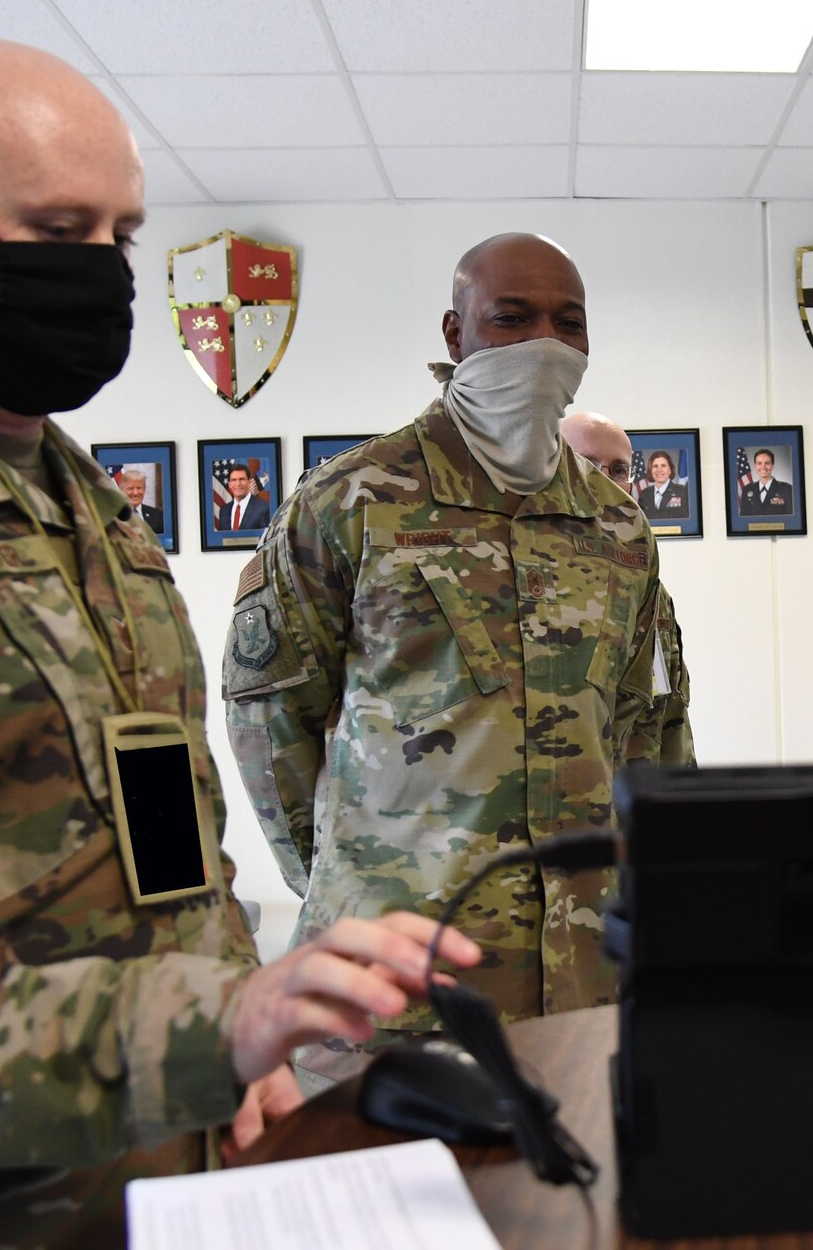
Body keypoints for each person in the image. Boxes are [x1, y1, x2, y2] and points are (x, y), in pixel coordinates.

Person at [0, 37, 482, 1248]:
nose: (103, 274)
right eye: (60, 231)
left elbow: (162, 837)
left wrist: (238, 1050)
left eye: (122, 237)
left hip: (146, 1191)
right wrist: (208, 1027)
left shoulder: (92, 515)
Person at [224, 233, 664, 1091]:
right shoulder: (347, 502)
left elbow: (646, 730)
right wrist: (346, 882)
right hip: (396, 979)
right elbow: (270, 722)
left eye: (567, 322)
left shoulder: (619, 529)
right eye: (512, 317)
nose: (543, 340)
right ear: (455, 334)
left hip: (581, 977)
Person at [561, 411, 697, 766]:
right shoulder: (524, 582)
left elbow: (671, 714)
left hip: (637, 798)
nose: (602, 479)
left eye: (618, 469)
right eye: (583, 462)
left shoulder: (650, 590)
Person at [737, 447, 795, 515]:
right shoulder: (747, 489)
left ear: (772, 465)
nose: (763, 467)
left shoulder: (787, 489)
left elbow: (790, 518)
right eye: (759, 463)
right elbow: (744, 519)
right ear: (755, 466)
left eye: (767, 463)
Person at [214, 462, 270, 531]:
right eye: (234, 480)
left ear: (249, 482)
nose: (238, 484)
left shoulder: (263, 508)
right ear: (229, 484)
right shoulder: (224, 510)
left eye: (242, 479)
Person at [639, 448, 691, 521]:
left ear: (670, 469)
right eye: (655, 466)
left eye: (663, 465)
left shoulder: (682, 492)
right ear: (650, 470)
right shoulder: (644, 494)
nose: (659, 470)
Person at [116, 464, 165, 534]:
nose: (135, 493)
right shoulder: (114, 516)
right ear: (121, 490)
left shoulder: (158, 516)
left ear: (144, 489)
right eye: (130, 488)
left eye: (139, 488)